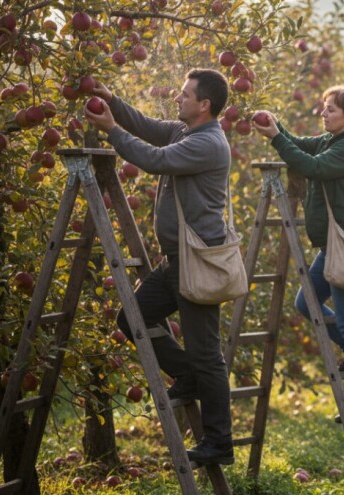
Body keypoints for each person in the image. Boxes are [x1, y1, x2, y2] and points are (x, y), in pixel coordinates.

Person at [84, 69, 234, 465]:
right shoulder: (185, 132)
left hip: (197, 261)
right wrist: (112, 101)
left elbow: (155, 160)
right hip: (176, 261)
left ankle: (219, 442)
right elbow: (148, 127)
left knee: (207, 355)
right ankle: (187, 374)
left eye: (185, 94)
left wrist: (111, 130)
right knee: (132, 317)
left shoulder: (207, 143)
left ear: (204, 105)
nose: (178, 99)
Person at [251, 85, 344, 423]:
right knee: (305, 302)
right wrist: (276, 126)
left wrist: (275, 138)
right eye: (324, 107)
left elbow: (312, 167)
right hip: (333, 244)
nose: (323, 113)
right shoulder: (332, 140)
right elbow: (300, 145)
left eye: (330, 109)